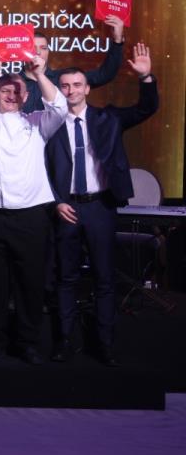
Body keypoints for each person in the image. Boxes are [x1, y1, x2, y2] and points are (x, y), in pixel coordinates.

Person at [48, 44, 158, 366]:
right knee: (66, 278)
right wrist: (56, 202)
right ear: (59, 90)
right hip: (66, 208)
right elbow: (39, 170)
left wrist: (146, 78)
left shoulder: (108, 118)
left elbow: (145, 109)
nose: (71, 90)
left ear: (87, 89)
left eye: (77, 85)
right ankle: (64, 341)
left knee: (104, 278)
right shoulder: (49, 125)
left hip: (100, 207)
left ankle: (105, 344)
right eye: (65, 85)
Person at [0, 54, 67, 363]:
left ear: (26, 95)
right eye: (5, 90)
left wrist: (40, 74)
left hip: (32, 215)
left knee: (30, 283)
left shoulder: (37, 123)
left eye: (17, 90)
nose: (11, 95)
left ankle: (27, 343)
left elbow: (59, 108)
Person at [22, 15, 126, 113]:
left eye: (43, 48)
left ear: (48, 51)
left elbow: (105, 74)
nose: (38, 52)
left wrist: (117, 41)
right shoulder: (14, 82)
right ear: (22, 52)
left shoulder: (63, 79)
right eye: (33, 48)